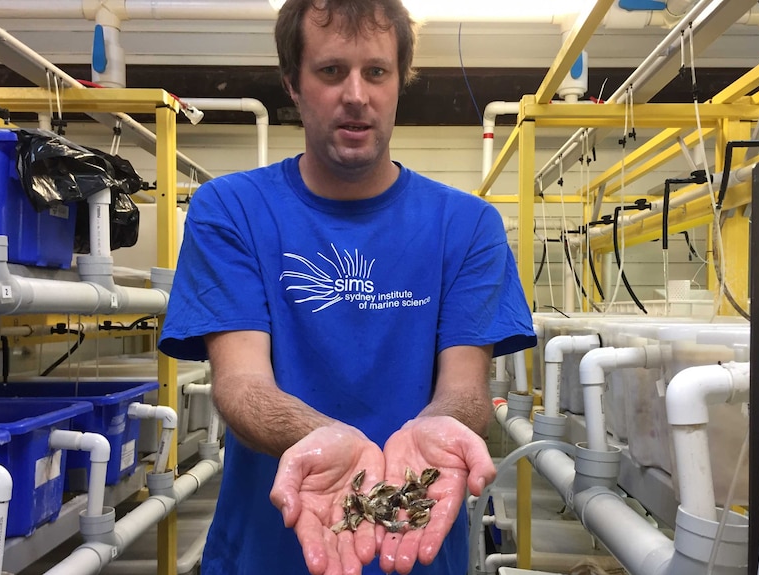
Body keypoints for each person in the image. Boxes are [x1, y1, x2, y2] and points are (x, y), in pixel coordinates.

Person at [158, 0, 536, 573]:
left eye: (376, 72)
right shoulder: (231, 210)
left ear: (398, 83)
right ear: (294, 83)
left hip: (417, 546)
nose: (357, 94)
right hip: (269, 551)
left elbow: (466, 389)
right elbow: (240, 385)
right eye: (332, 71)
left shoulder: (466, 225)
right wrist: (324, 435)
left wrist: (437, 427)